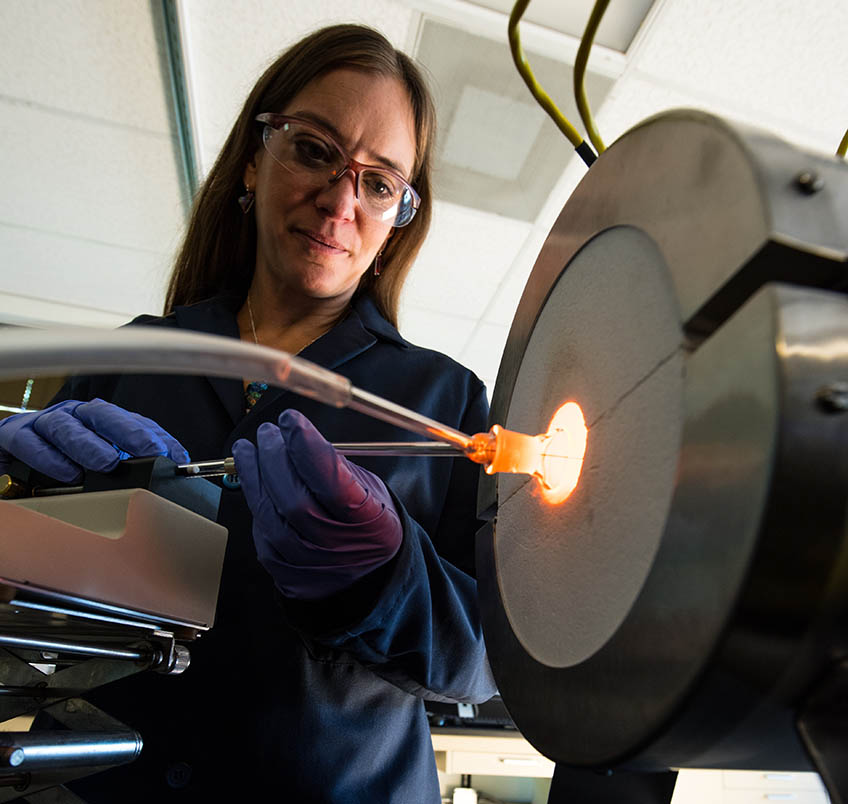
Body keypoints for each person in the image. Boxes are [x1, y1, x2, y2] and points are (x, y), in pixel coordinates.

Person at [0, 23, 496, 802]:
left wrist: (386, 578)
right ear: (252, 159)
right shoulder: (135, 357)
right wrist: (13, 494)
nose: (339, 201)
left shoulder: (448, 405)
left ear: (399, 218)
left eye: (377, 183)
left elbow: (490, 664)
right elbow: (24, 595)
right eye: (313, 150)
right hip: (97, 783)